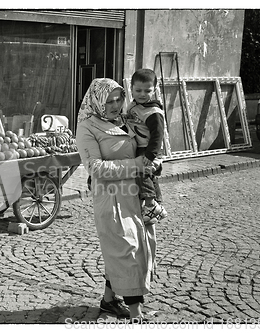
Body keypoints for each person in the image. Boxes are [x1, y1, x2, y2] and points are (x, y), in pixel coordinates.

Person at [76, 78, 155, 322]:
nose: (115, 104)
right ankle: (136, 315)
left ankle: (108, 301)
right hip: (112, 201)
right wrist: (137, 165)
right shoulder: (87, 127)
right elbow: (96, 168)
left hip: (134, 195)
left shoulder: (123, 120)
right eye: (109, 100)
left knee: (133, 248)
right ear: (97, 100)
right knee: (127, 250)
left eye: (119, 98)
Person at [125, 68, 167, 225]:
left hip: (148, 148)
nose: (142, 94)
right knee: (149, 176)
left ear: (154, 90)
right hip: (139, 146)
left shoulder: (153, 112)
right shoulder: (134, 105)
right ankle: (157, 203)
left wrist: (150, 155)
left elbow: (158, 136)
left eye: (147, 91)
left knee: (143, 172)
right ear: (131, 88)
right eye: (138, 90)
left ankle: (150, 205)